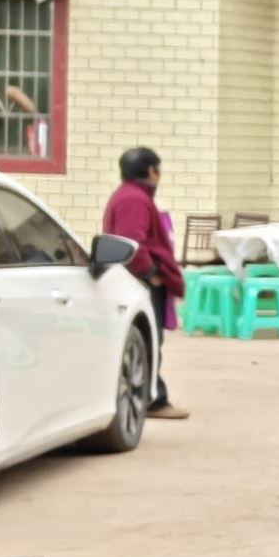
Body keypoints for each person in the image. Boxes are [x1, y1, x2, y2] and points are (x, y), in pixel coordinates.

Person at [98, 148, 190, 420]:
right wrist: (152, 274)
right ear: (150, 170)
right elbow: (132, 244)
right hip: (141, 282)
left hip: (142, 280)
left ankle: (151, 395)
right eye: (158, 169)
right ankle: (153, 399)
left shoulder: (133, 196)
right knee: (148, 341)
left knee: (150, 341)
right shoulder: (133, 200)